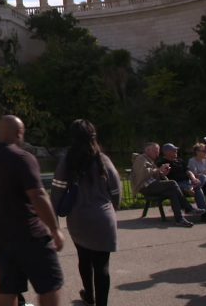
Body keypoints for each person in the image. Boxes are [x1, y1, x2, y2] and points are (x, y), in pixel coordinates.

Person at [0, 115, 65, 306]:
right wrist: (54, 229)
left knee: (8, 287)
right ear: (19, 133)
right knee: (49, 283)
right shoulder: (23, 157)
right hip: (30, 234)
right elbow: (38, 195)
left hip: (0, 236)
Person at [51, 120, 121, 306]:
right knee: (102, 266)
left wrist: (54, 222)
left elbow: (57, 191)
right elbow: (116, 189)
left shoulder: (67, 160)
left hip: (78, 218)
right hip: (103, 217)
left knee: (83, 258)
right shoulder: (102, 159)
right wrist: (114, 208)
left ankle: (89, 294)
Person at [131, 142, 195, 227]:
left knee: (172, 192)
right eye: (155, 151)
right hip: (145, 187)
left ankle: (179, 219)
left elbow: (153, 175)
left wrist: (162, 173)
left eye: (158, 151)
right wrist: (158, 170)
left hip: (152, 186)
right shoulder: (141, 158)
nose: (157, 153)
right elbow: (143, 173)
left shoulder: (150, 160)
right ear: (147, 150)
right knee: (172, 183)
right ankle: (188, 208)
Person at [159, 143, 206, 222]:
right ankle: (190, 193)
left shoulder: (180, 160)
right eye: (174, 150)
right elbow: (162, 176)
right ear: (166, 152)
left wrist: (193, 179)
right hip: (175, 184)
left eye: (176, 150)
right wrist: (165, 172)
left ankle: (204, 215)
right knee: (193, 188)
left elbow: (188, 171)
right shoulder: (162, 162)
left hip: (187, 182)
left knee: (198, 186)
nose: (176, 151)